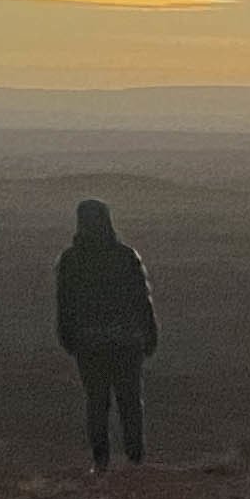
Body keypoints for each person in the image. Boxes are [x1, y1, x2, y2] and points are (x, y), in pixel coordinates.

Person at [53, 198, 160, 472]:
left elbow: (64, 305)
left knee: (97, 402)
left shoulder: (71, 259)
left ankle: (101, 462)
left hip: (90, 343)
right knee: (130, 400)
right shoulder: (126, 255)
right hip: (126, 341)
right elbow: (142, 300)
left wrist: (68, 338)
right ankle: (135, 459)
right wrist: (149, 334)